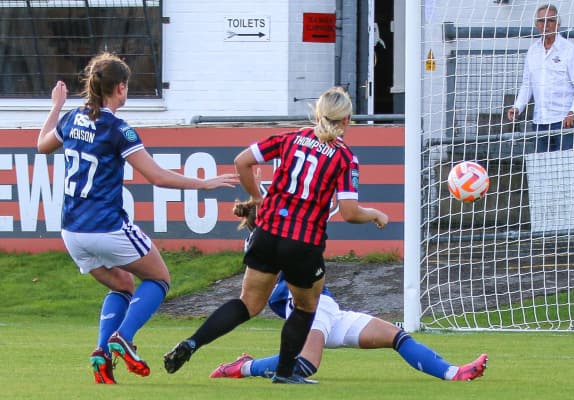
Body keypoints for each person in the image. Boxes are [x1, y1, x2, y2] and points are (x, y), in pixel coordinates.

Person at [35, 52, 240, 384]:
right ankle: (123, 337)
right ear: (119, 88)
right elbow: (157, 177)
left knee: (122, 283)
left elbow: (42, 146)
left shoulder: (72, 118)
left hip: (72, 231)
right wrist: (204, 183)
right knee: (159, 279)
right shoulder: (118, 129)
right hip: (106, 226)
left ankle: (102, 353)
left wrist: (56, 105)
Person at [162, 86, 390, 384]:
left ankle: (192, 343)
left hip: (267, 233)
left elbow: (243, 160)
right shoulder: (345, 158)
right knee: (307, 305)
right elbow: (349, 212)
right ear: (347, 120)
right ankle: (284, 373)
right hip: (303, 241)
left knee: (248, 303)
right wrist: (374, 214)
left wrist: (257, 198)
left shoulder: (291, 138)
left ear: (317, 114)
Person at [208, 270, 488, 382]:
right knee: (305, 366)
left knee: (396, 336)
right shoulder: (272, 243)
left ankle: (454, 373)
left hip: (330, 310)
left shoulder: (289, 232)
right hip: (308, 309)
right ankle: (243, 367)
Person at [505, 4, 574, 152]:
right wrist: (518, 107)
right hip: (540, 121)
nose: (546, 25)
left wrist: (573, 112)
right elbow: (527, 84)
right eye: (541, 21)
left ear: (558, 24)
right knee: (542, 168)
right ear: (536, 25)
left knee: (566, 167)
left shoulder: (570, 50)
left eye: (550, 21)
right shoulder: (532, 51)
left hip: (564, 121)